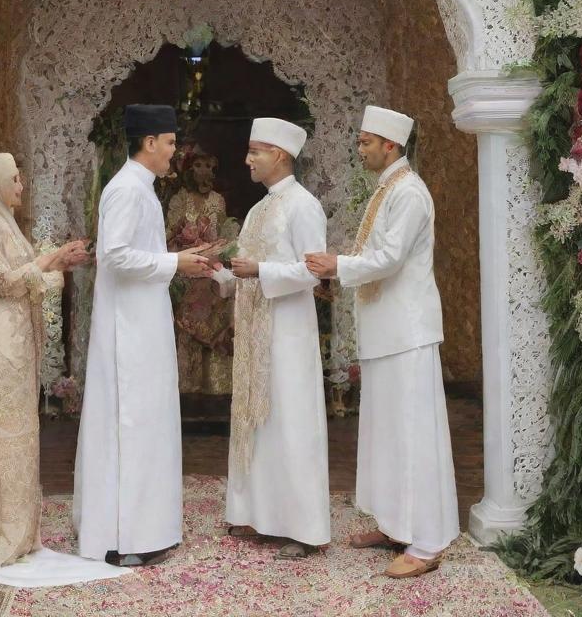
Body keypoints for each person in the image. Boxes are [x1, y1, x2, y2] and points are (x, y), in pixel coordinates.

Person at [306, 106, 459, 579]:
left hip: (407, 333)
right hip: (386, 330)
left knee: (414, 435)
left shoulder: (408, 192)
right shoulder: (388, 189)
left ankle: (428, 542)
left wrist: (338, 266)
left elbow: (389, 257)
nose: (360, 149)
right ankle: (397, 525)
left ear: (390, 145)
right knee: (388, 434)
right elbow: (376, 254)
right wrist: (341, 268)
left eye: (366, 142)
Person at [73, 105, 216, 567]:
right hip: (128, 331)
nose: (175, 152)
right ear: (150, 142)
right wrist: (176, 264)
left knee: (147, 423)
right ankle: (124, 537)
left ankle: (145, 529)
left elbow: (139, 253)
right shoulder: (128, 190)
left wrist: (182, 256)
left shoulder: (141, 189)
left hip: (143, 322)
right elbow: (112, 256)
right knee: (131, 424)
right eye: (171, 143)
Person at [0, 152, 94, 579]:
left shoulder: (6, 225)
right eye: (14, 179)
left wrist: (55, 263)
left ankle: (19, 531)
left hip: (17, 336)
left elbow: (27, 278)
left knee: (20, 431)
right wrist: (51, 263)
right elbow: (11, 283)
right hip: (0, 339)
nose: (21, 185)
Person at [211, 118, 331, 559]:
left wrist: (260, 271)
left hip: (288, 333)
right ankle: (259, 514)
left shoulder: (303, 206)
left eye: (255, 151)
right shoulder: (261, 208)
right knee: (258, 420)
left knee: (291, 422)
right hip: (257, 331)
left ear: (279, 155)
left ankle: (303, 528)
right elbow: (247, 268)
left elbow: (313, 271)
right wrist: (219, 273)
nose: (247, 160)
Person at [166, 148, 236, 395]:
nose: (204, 171)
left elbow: (223, 233)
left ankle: (217, 386)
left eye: (208, 165)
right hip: (186, 271)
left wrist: (218, 252)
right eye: (198, 165)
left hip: (212, 270)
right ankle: (187, 385)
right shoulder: (178, 200)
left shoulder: (218, 200)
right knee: (187, 329)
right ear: (188, 169)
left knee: (217, 323)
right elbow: (169, 235)